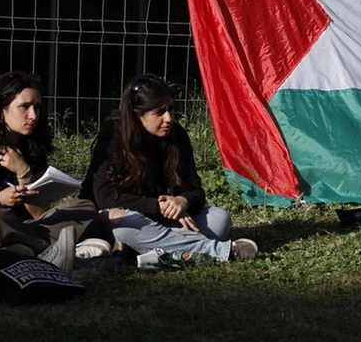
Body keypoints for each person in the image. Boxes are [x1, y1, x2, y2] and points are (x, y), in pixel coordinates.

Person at [0, 71, 103, 273]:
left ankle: (24, 251)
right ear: (1, 109)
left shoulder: (31, 146)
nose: (33, 116)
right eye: (24, 107)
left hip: (19, 226)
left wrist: (24, 172)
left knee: (85, 208)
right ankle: (49, 251)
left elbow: (39, 213)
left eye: (37, 107)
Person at [81, 74, 257, 265]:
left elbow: (196, 190)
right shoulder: (113, 138)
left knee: (219, 219)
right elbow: (105, 198)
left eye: (171, 109)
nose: (168, 118)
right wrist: (156, 205)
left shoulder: (177, 136)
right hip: (123, 218)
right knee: (126, 228)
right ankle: (219, 251)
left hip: (163, 220)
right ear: (137, 114)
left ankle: (144, 249)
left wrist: (183, 201)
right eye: (159, 112)